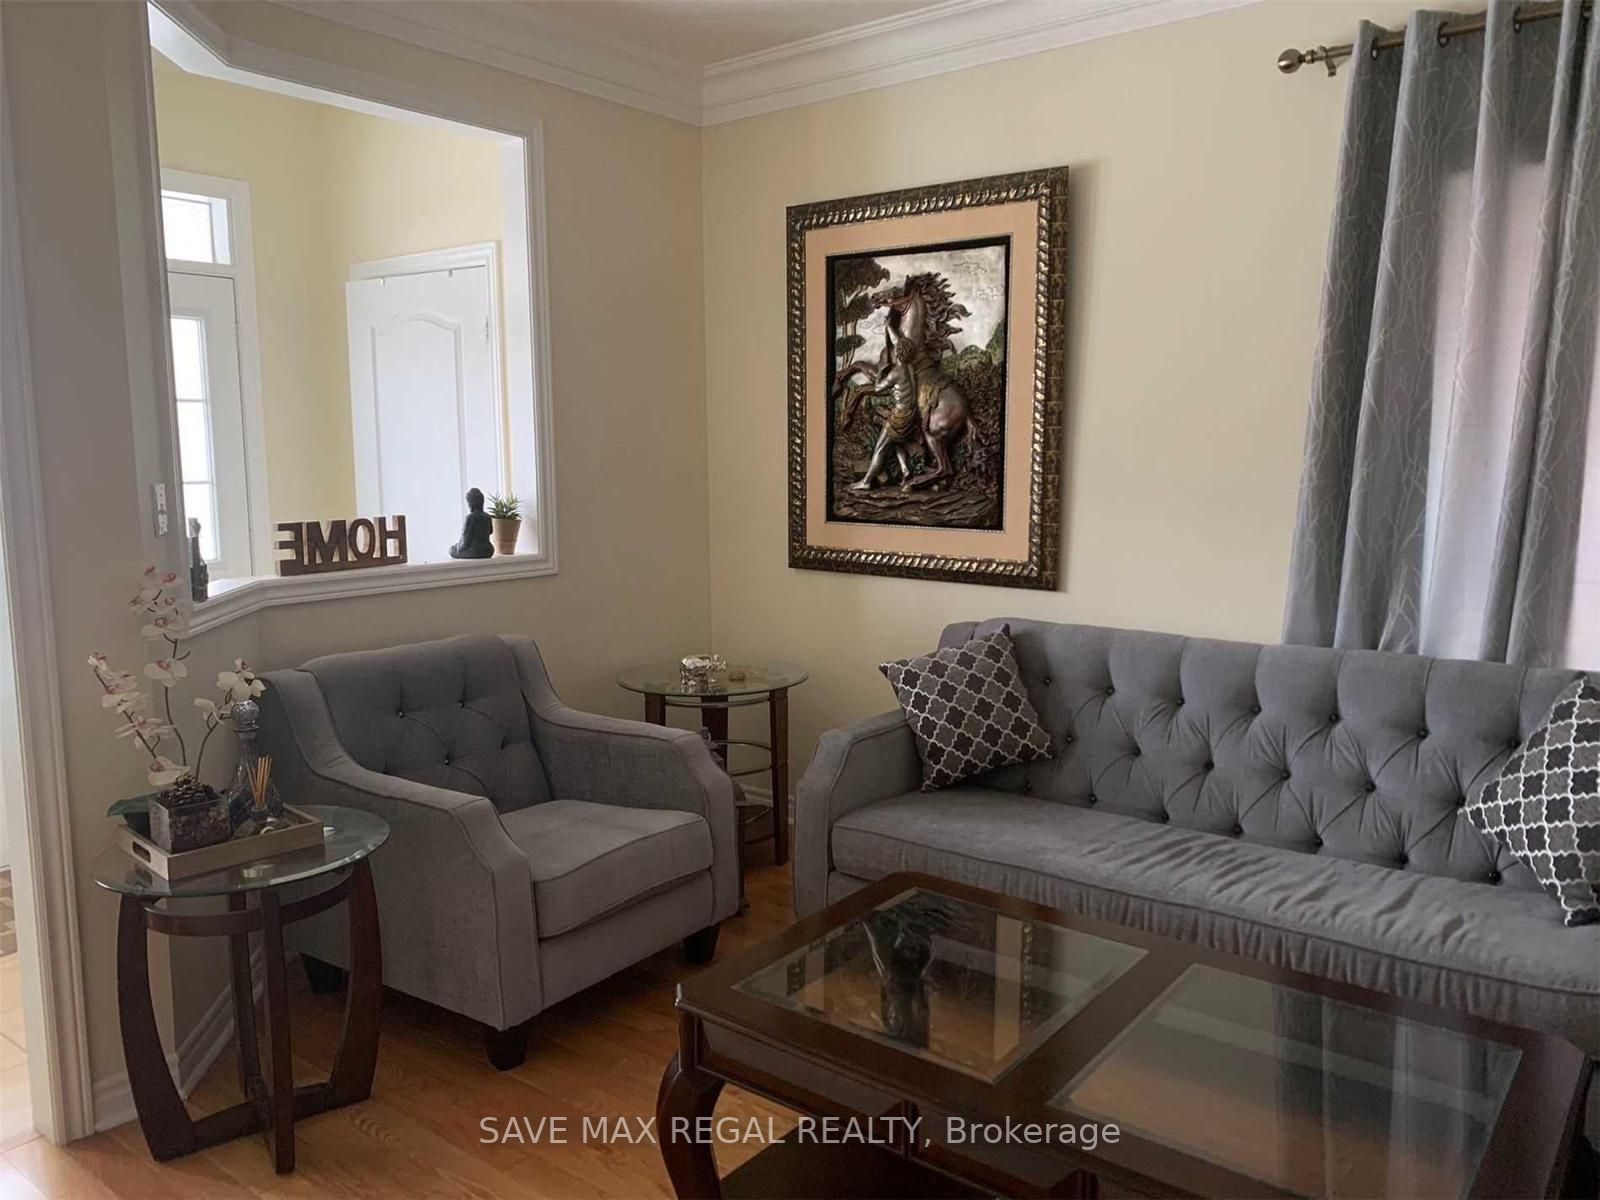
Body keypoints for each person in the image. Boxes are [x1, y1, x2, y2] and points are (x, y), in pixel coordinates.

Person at [449, 487, 494, 559]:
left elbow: (465, 541)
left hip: (475, 551)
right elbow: (491, 531)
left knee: (451, 550)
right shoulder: (488, 517)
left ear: (471, 503)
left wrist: (458, 548)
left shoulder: (470, 518)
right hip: (488, 550)